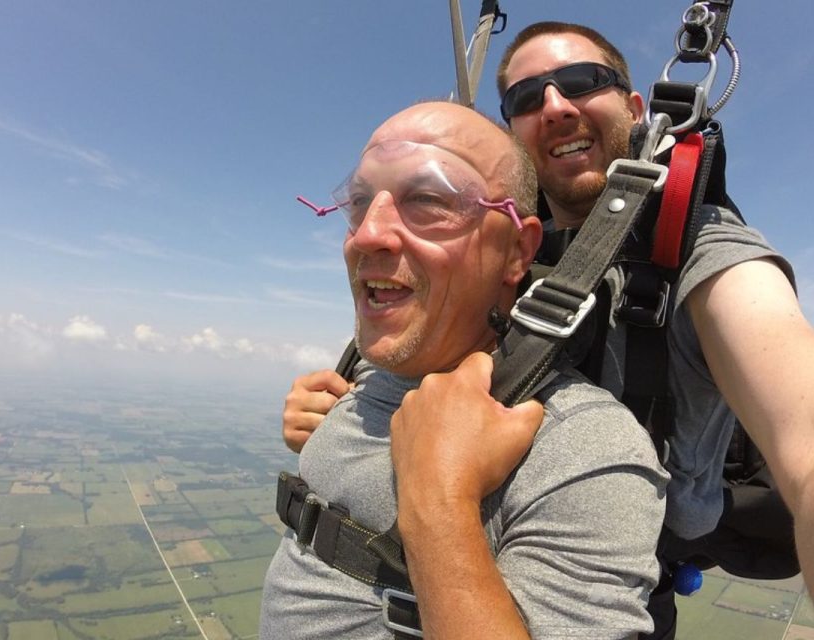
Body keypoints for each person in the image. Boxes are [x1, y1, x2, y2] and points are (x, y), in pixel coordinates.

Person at [283, 22, 814, 640]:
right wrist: (345, 411)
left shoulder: (697, 246)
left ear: (637, 105)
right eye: (527, 98)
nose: (557, 106)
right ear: (513, 135)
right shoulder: (481, 232)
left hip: (616, 582)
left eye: (584, 80)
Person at [261, 100, 670, 639]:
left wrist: (439, 502)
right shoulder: (364, 376)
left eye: (427, 200)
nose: (366, 235)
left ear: (517, 252)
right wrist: (324, 431)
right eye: (360, 203)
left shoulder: (584, 446)